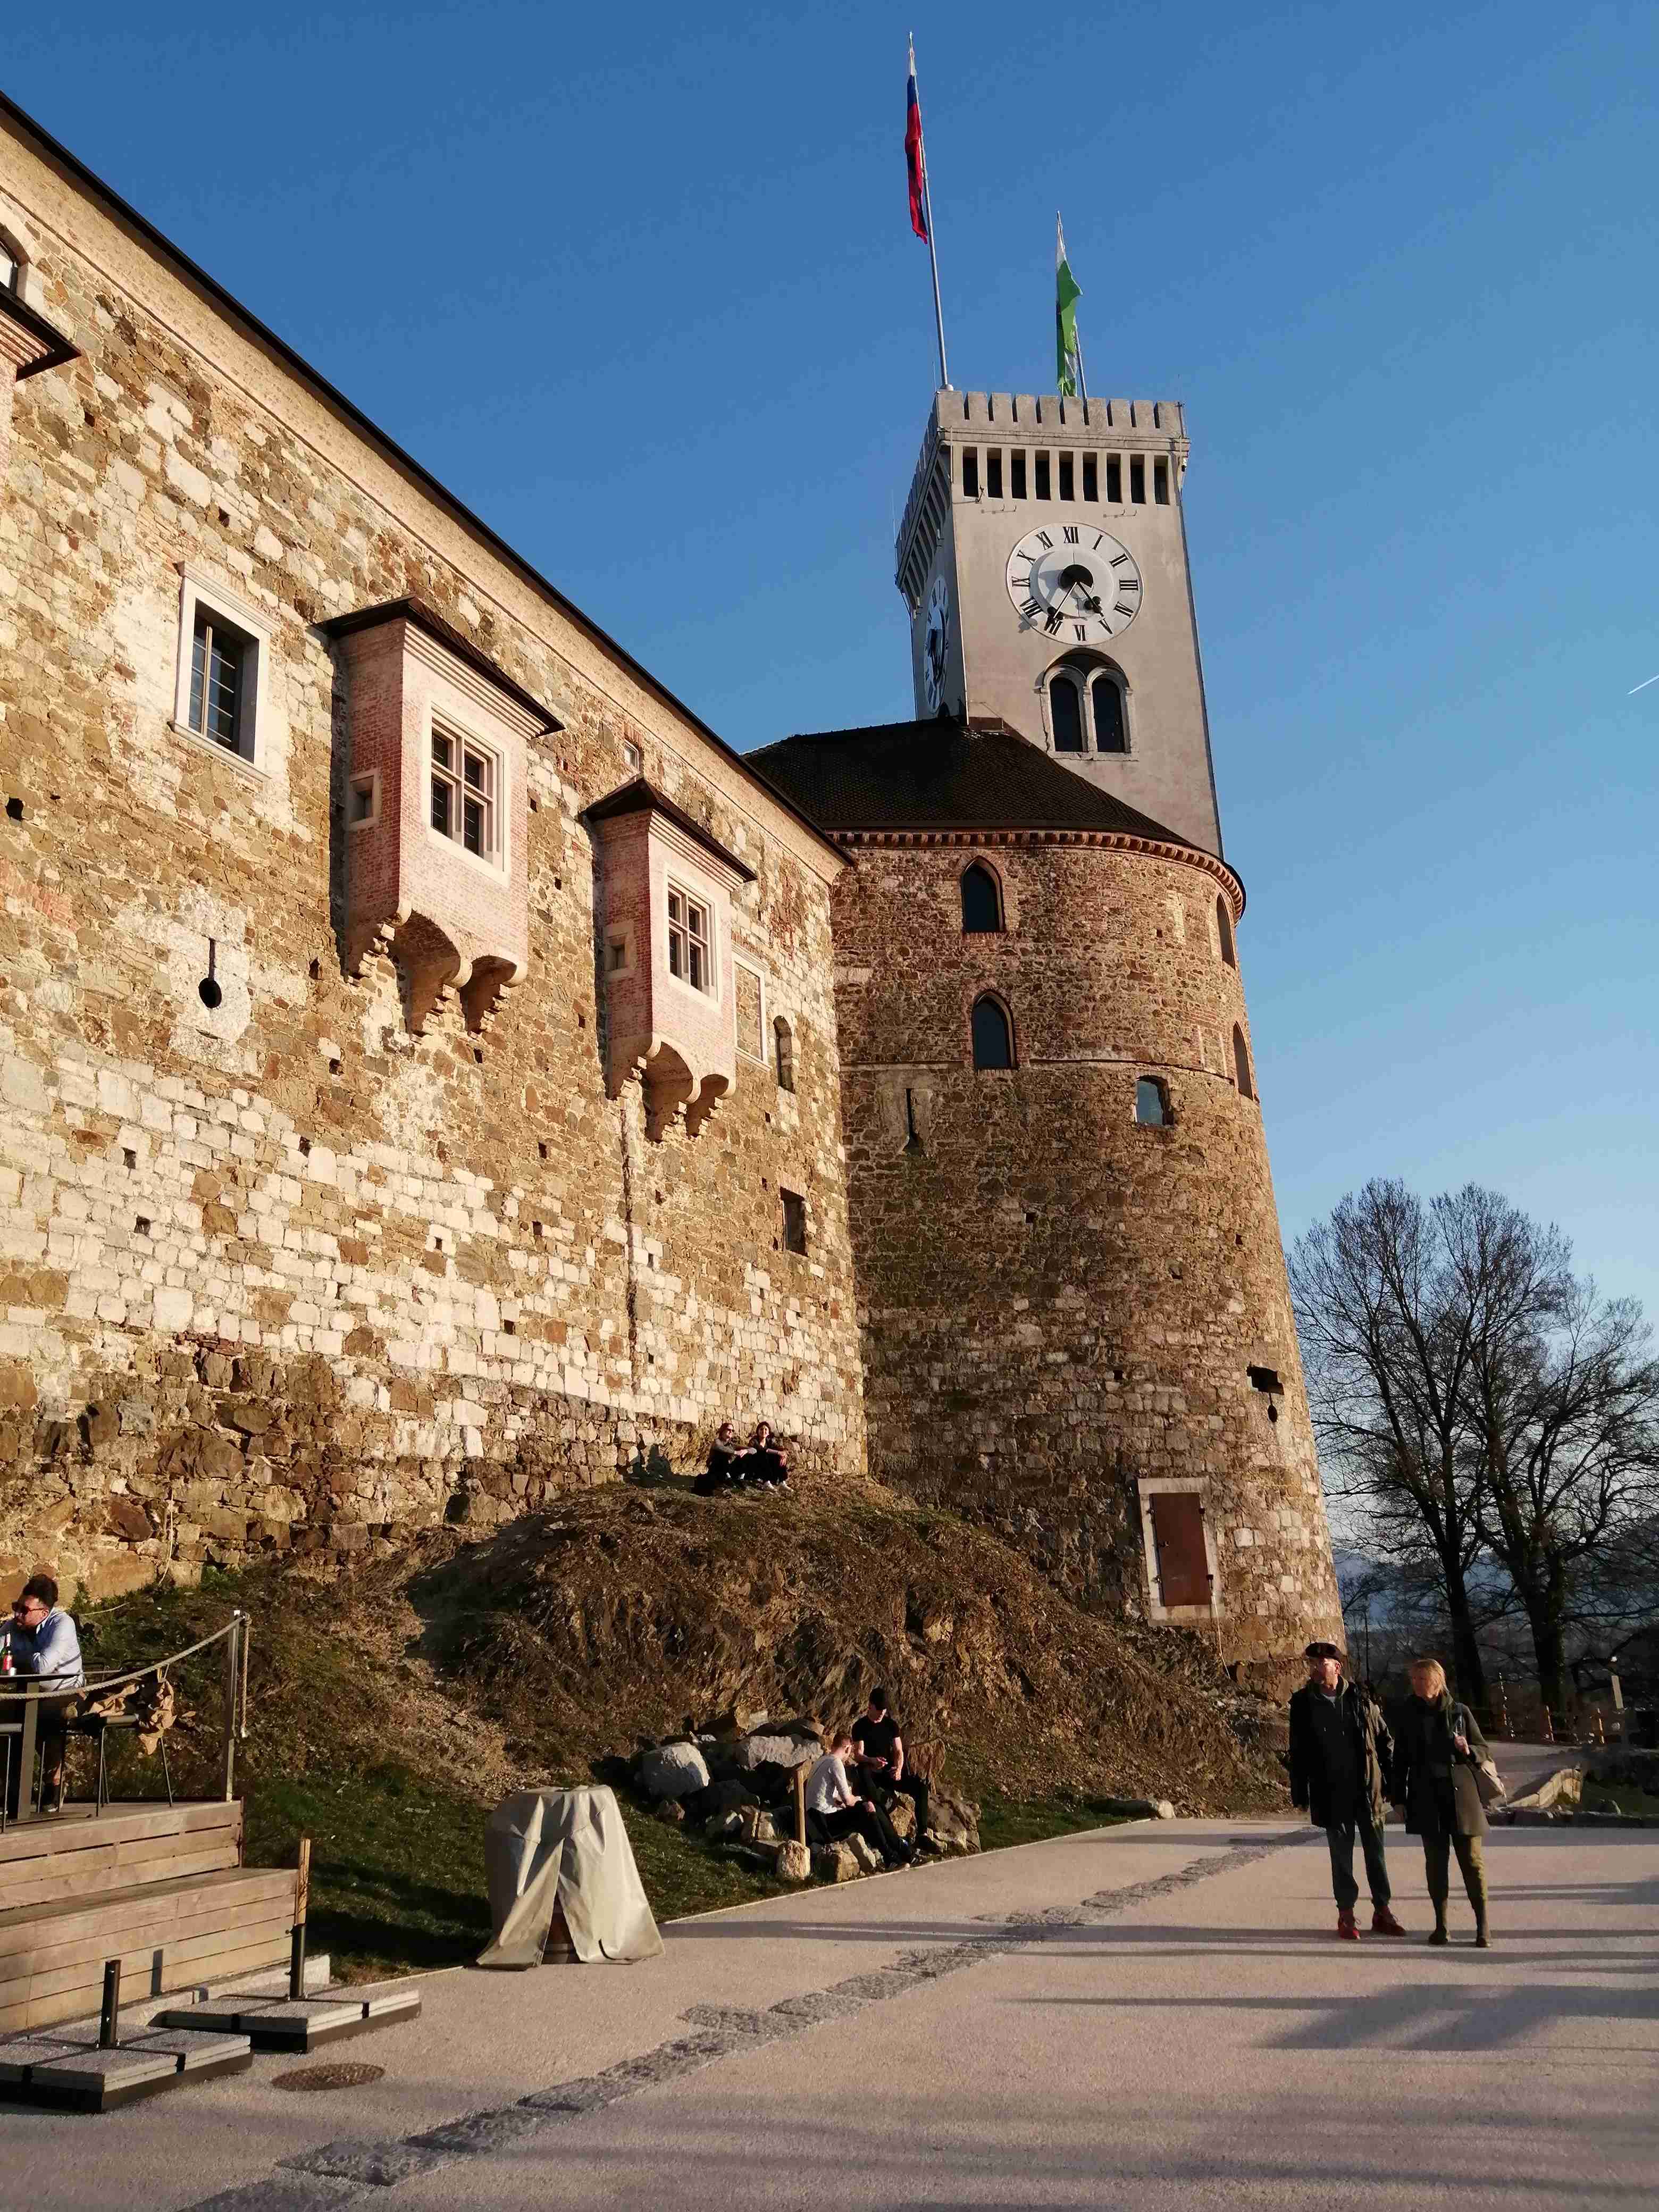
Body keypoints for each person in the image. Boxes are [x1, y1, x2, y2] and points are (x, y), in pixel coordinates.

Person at [1287, 1639, 1404, 1941]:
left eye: (1320, 1664)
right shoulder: (1302, 1704)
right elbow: (1297, 1753)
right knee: (1341, 1859)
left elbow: (1384, 1741)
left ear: (1337, 1667)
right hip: (1330, 1791)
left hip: (1368, 1790)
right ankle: (1346, 1914)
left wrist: (1391, 1782)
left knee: (1376, 1856)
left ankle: (1383, 1911)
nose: (1314, 1669)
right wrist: (1299, 1793)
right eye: (1311, 1664)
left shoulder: (1362, 1698)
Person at [1390, 1657, 1493, 1949]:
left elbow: (1484, 1750)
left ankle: (1482, 1926)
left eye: (1421, 1679)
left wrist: (1469, 1750)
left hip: (1462, 1798)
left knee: (1472, 1863)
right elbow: (1400, 1762)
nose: (1416, 1684)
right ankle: (1441, 1926)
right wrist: (1398, 1798)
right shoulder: (1408, 1716)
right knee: (1435, 1865)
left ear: (1436, 1681)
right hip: (1426, 1798)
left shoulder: (1460, 1712)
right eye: (1414, 1679)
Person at [3, 1574, 85, 1814]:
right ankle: (8, 1788)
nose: (18, 1614)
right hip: (30, 1695)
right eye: (16, 1607)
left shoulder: (62, 1624)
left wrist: (15, 1657)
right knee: (3, 1716)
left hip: (67, 1692)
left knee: (43, 1717)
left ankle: (54, 1785)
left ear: (44, 1613)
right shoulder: (14, 1625)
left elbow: (43, 1666)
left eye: (24, 1610)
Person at [803, 1730, 910, 1869]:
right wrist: (860, 1800)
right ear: (847, 1748)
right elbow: (848, 1800)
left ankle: (895, 1850)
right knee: (868, 1807)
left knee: (868, 1810)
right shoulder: (836, 1763)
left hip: (814, 1820)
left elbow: (833, 1796)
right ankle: (892, 1855)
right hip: (823, 1823)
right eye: (850, 1751)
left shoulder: (821, 1761)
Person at [850, 1685, 932, 1853]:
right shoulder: (860, 1726)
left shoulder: (891, 1725)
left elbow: (898, 1750)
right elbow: (858, 1754)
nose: (882, 1713)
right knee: (864, 1771)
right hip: (871, 1772)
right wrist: (872, 1760)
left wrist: (899, 1768)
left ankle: (922, 1835)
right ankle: (891, 1837)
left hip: (889, 1772)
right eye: (879, 1709)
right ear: (870, 1706)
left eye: (884, 1710)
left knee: (921, 1787)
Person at [694, 1422, 746, 1495]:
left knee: (744, 1454)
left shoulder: (732, 1445)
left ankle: (739, 1479)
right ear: (722, 1431)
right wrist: (735, 1452)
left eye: (733, 1430)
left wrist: (745, 1451)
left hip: (728, 1469)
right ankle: (724, 1481)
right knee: (722, 1455)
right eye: (729, 1430)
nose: (731, 1432)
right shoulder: (717, 1442)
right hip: (716, 1469)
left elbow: (753, 1450)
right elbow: (720, 1447)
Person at [743, 1421, 790, 1489]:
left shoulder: (770, 1441)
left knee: (780, 1457)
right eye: (761, 1429)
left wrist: (783, 1455)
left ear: (768, 1433)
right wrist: (778, 1452)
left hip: (768, 1468)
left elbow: (781, 1449)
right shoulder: (754, 1441)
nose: (763, 1431)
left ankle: (782, 1483)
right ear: (758, 1431)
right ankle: (766, 1483)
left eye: (766, 1429)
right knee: (764, 1454)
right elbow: (762, 1450)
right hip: (755, 1467)